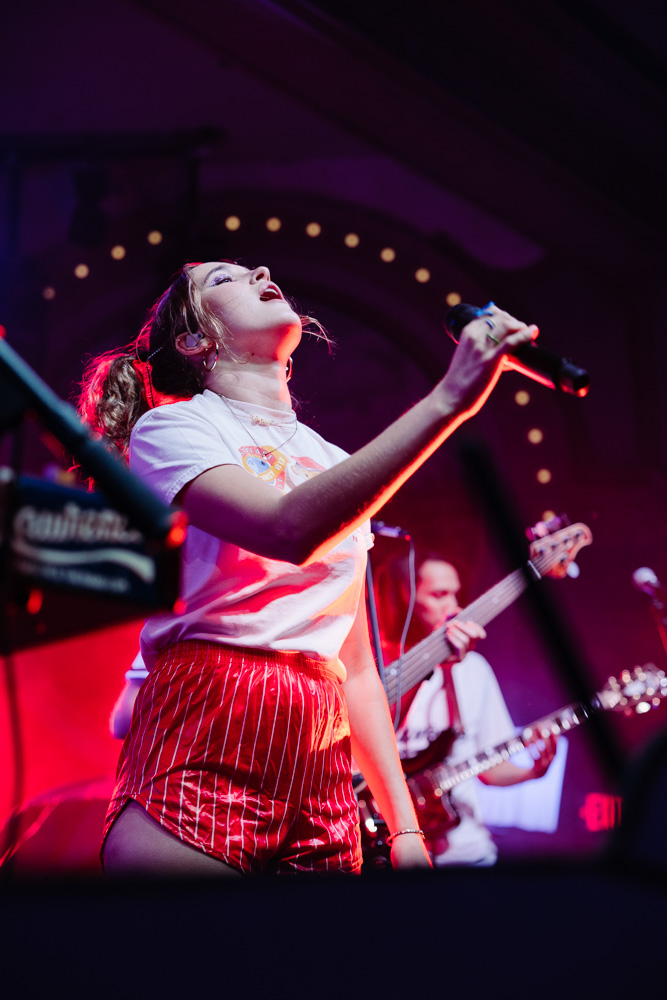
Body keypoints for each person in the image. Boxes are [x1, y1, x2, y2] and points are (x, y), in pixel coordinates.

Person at [77, 259, 536, 877]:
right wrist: (451, 400)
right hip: (210, 722)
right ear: (194, 339)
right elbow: (285, 529)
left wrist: (404, 828)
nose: (262, 270)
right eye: (224, 279)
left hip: (319, 754)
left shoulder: (334, 462)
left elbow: (357, 670)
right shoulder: (174, 428)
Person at [373, 549, 558, 866]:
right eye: (438, 594)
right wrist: (431, 665)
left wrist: (533, 772)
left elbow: (488, 768)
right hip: (385, 852)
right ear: (401, 597)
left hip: (466, 854)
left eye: (456, 593)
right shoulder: (372, 670)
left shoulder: (473, 669)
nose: (454, 607)